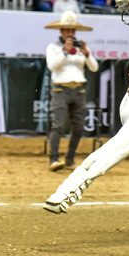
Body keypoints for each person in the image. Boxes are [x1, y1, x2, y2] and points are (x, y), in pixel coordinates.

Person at [44, 11, 98, 171]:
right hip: (60, 88)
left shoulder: (81, 47)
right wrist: (65, 52)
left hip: (79, 89)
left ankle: (69, 159)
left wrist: (87, 54)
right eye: (67, 30)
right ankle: (53, 159)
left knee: (79, 127)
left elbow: (94, 68)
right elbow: (52, 66)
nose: (71, 33)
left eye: (73, 30)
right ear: (61, 31)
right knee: (58, 125)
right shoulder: (53, 47)